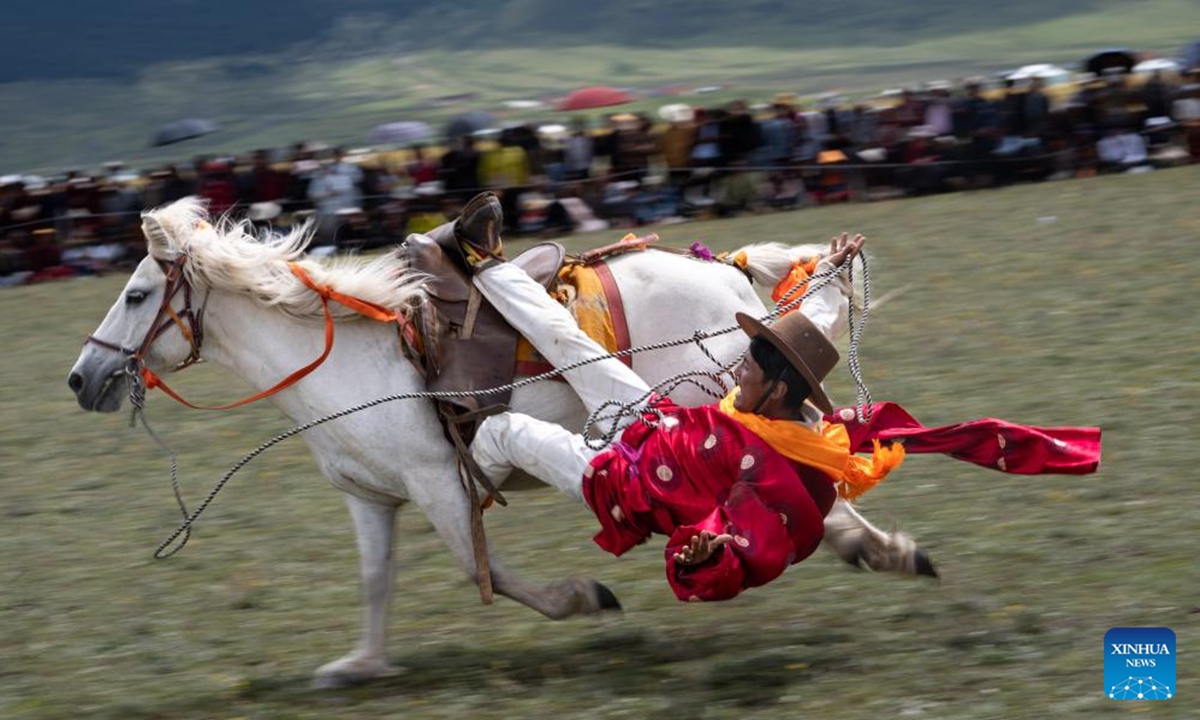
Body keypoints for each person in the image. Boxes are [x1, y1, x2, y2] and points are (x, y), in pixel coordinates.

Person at [447, 192, 889, 602]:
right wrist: (829, 275)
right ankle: (484, 260)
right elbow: (813, 323)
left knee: (502, 431)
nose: (738, 369)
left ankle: (455, 497)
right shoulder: (776, 395)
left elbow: (759, 554)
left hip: (628, 481)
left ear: (777, 390)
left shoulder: (777, 476)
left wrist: (705, 558)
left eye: (748, 369)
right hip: (654, 421)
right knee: (568, 339)